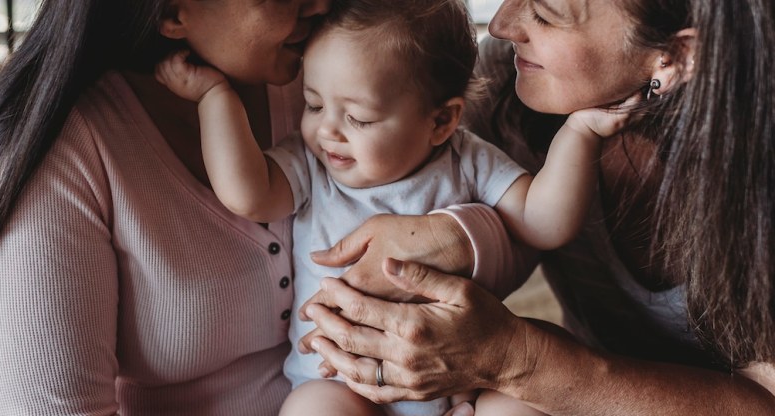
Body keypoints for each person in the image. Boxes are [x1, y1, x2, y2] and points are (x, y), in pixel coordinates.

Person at [0, 0, 516, 414]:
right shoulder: (65, 161)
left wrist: (453, 235)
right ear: (171, 12)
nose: (318, 3)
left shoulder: (322, 83)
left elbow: (475, 195)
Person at [155, 0, 635, 414]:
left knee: (521, 406)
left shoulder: (466, 158)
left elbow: (544, 223)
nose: (328, 131)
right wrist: (215, 99)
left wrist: (580, 133)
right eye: (314, 105)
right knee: (309, 409)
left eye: (358, 117)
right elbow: (246, 193)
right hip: (343, 384)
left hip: (460, 384)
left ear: (441, 121)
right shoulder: (312, 165)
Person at [298, 0, 775, 414]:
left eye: (546, 15)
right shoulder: (504, 84)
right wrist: (460, 233)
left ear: (673, 57)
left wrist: (515, 358)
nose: (503, 24)